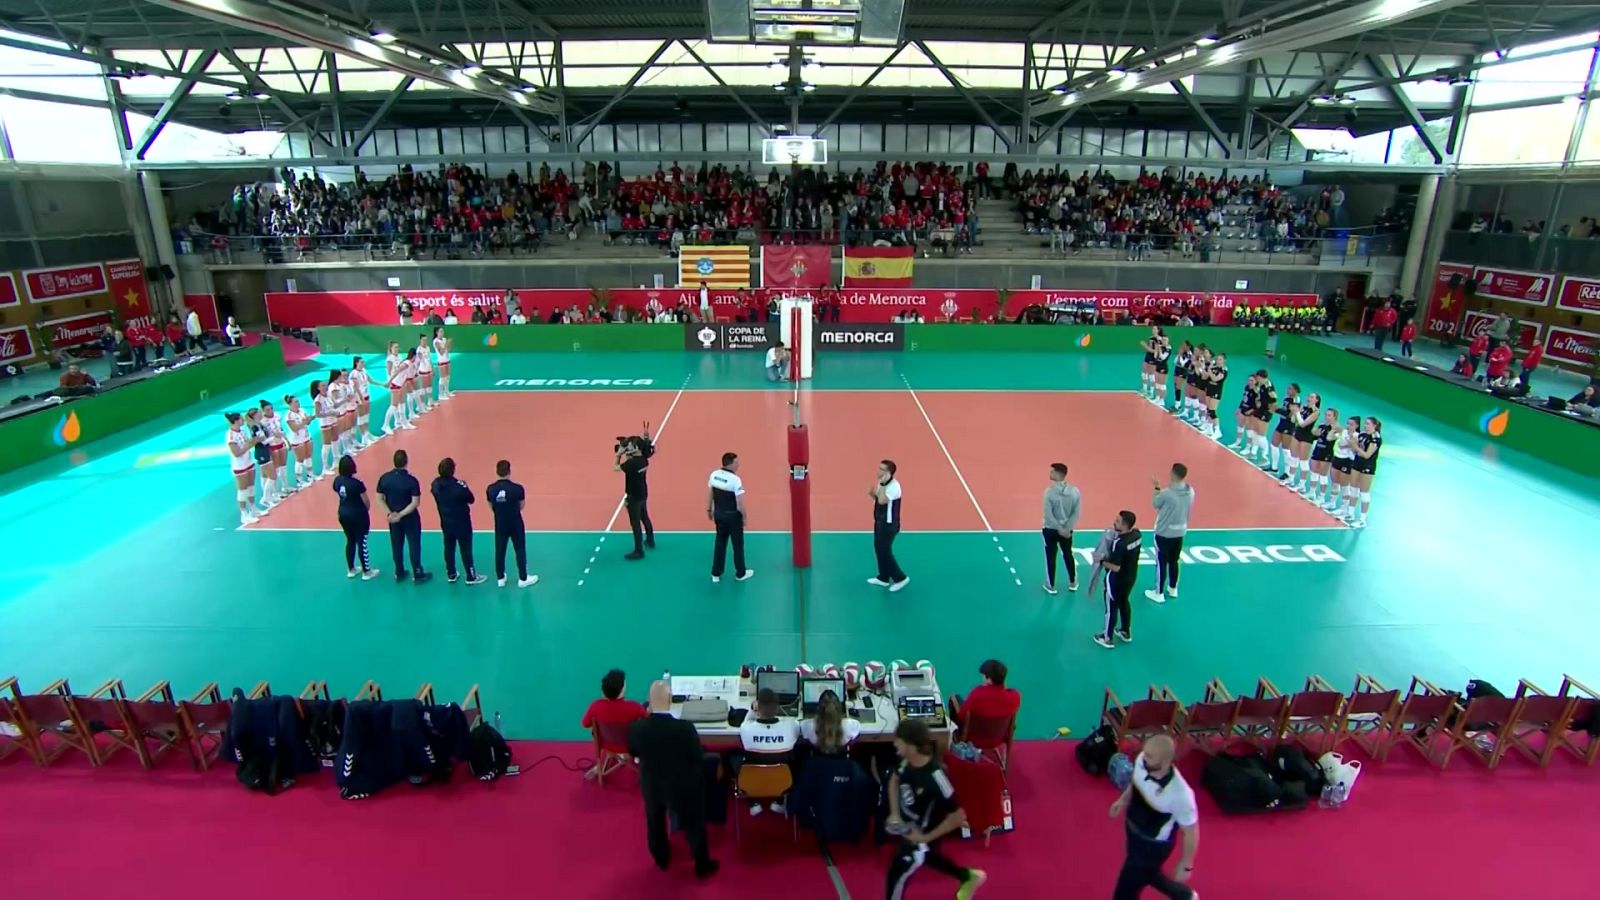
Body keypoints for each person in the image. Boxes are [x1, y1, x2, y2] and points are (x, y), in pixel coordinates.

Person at [884, 719, 987, 900]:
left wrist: (923, 838)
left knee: (896, 877)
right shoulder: (905, 762)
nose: (894, 743)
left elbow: (958, 816)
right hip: (911, 829)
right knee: (929, 857)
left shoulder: (936, 778)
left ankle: (968, 876)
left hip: (920, 838)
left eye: (898, 740)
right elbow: (894, 779)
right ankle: (968, 876)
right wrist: (894, 813)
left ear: (911, 744)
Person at [627, 681, 719, 879]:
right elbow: (696, 756)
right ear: (670, 701)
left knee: (655, 821)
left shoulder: (637, 728)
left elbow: (633, 752)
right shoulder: (685, 728)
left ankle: (661, 858)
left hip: (653, 784)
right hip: (683, 786)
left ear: (649, 702)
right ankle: (702, 864)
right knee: (694, 823)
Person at [1108, 734, 1199, 900]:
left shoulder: (1181, 795)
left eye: (1149, 755)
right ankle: (1184, 896)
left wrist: (1186, 865)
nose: (1143, 756)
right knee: (1146, 873)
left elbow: (1191, 832)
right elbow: (1136, 783)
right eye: (1145, 751)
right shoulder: (1142, 761)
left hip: (1152, 846)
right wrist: (1122, 801)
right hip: (1133, 831)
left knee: (1125, 891)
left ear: (1165, 762)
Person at [735, 687, 801, 815]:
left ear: (758, 707)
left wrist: (752, 709)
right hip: (783, 782)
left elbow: (746, 721)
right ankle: (780, 800)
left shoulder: (746, 728)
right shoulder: (792, 725)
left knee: (733, 756)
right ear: (777, 708)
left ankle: (752, 800)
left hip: (753, 781)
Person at [376, 449, 431, 584]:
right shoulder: (411, 481)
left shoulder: (384, 479)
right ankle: (417, 573)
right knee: (414, 544)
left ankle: (399, 571)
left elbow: (379, 499)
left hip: (393, 519)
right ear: (406, 462)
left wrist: (391, 513)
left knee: (396, 544)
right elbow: (415, 502)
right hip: (410, 518)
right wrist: (401, 514)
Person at [581, 668, 646, 777]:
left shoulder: (596, 706)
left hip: (606, 745)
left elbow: (585, 723)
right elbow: (647, 720)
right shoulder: (635, 707)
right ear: (622, 689)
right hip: (630, 746)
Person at [431, 457, 485, 585]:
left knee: (449, 547)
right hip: (462, 523)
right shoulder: (458, 486)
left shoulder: (435, 485)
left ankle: (451, 573)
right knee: (466, 549)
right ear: (453, 470)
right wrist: (464, 486)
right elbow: (471, 499)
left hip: (446, 522)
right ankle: (471, 576)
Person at [485, 460, 538, 588]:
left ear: (497, 472)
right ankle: (523, 578)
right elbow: (521, 505)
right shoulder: (518, 489)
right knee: (519, 549)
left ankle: (501, 578)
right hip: (515, 523)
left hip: (500, 523)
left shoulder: (490, 489)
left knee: (500, 550)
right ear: (509, 471)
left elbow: (491, 506)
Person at [1094, 511, 1141, 650]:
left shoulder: (1120, 544)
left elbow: (1115, 567)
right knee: (1124, 602)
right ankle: (1125, 632)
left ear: (1125, 525)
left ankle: (1107, 638)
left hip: (1116, 581)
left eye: (1118, 521)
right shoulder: (1137, 535)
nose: (1115, 522)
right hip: (1131, 577)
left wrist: (1101, 561)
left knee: (1111, 608)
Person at [1146, 465, 1193, 604]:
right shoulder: (1191, 492)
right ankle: (1173, 588)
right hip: (1180, 532)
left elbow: (1155, 503)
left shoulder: (1167, 493)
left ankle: (1158, 592)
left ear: (1172, 474)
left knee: (1161, 562)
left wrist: (1156, 488)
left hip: (1164, 532)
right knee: (1174, 561)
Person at [708, 451, 753, 583]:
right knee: (737, 545)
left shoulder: (714, 475)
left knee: (720, 543)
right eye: (736, 462)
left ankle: (716, 574)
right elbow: (739, 504)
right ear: (730, 464)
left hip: (719, 516)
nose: (738, 464)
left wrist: (709, 509)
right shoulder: (735, 480)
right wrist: (744, 517)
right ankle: (740, 573)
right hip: (733, 518)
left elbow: (710, 493)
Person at [332, 454, 379, 579]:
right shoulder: (357, 483)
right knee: (361, 541)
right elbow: (366, 501)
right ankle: (367, 571)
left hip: (343, 514)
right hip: (357, 515)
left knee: (350, 540)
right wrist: (364, 511)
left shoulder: (337, 481)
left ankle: (351, 569)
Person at [616, 424, 656, 560]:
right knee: (645, 517)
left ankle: (639, 551)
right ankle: (650, 540)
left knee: (635, 523)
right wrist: (646, 439)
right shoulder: (643, 460)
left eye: (631, 445)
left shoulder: (632, 463)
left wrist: (618, 454)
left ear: (637, 448)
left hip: (633, 496)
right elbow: (648, 450)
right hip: (643, 493)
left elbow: (616, 468)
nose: (629, 446)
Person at [868, 459, 908, 592]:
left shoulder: (894, 486)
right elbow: (878, 499)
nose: (878, 471)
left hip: (889, 525)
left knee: (885, 551)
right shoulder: (882, 483)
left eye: (881, 469)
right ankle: (883, 577)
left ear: (888, 472)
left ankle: (901, 578)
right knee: (879, 549)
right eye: (879, 468)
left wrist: (881, 488)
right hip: (879, 521)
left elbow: (883, 500)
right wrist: (873, 493)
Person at [949, 659, 1021, 733]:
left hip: (976, 738)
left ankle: (954, 736)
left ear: (989, 679)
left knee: (954, 699)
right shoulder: (1015, 696)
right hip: (999, 738)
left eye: (983, 676)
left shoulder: (977, 694)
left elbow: (961, 716)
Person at [1042, 462, 1082, 594]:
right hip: (1067, 531)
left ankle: (1051, 585)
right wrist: (1066, 528)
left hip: (1050, 530)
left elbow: (1048, 515)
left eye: (1052, 471)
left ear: (1058, 474)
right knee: (1068, 554)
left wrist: (1058, 528)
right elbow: (1076, 512)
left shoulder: (1049, 493)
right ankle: (1073, 582)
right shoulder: (1075, 491)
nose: (1050, 473)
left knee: (1050, 557)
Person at [225, 412, 260, 526]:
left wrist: (253, 441)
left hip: (248, 462)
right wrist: (248, 445)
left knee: (251, 486)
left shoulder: (242, 431)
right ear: (236, 421)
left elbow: (248, 444)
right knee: (243, 490)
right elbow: (237, 453)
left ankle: (253, 509)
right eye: (241, 419)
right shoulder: (230, 435)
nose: (243, 420)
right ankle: (244, 515)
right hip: (239, 466)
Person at [802, 690, 860, 756]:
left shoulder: (808, 725)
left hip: (817, 764)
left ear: (818, 708)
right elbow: (857, 730)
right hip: (841, 764)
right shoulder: (850, 725)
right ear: (839, 707)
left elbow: (803, 730)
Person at [1349, 417, 1382, 528]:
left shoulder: (1376, 438)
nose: (1365, 426)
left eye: (1368, 424)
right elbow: (1355, 450)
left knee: (1364, 492)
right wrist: (1353, 445)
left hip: (1367, 466)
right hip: (1357, 463)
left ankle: (1362, 520)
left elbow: (1367, 455)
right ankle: (1350, 513)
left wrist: (1355, 447)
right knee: (1353, 488)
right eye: (1365, 424)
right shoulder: (1362, 434)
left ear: (1374, 426)